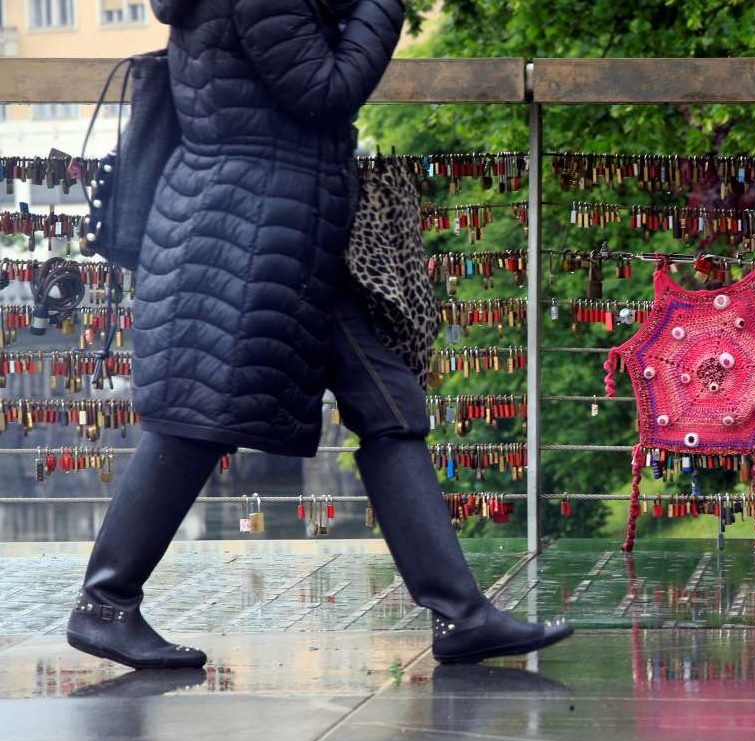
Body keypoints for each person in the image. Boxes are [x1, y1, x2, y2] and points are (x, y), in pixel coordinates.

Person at [67, 0, 571, 669]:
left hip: (288, 226)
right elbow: (326, 91)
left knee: (388, 404)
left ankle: (461, 614)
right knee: (194, 418)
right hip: (243, 225)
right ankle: (105, 603)